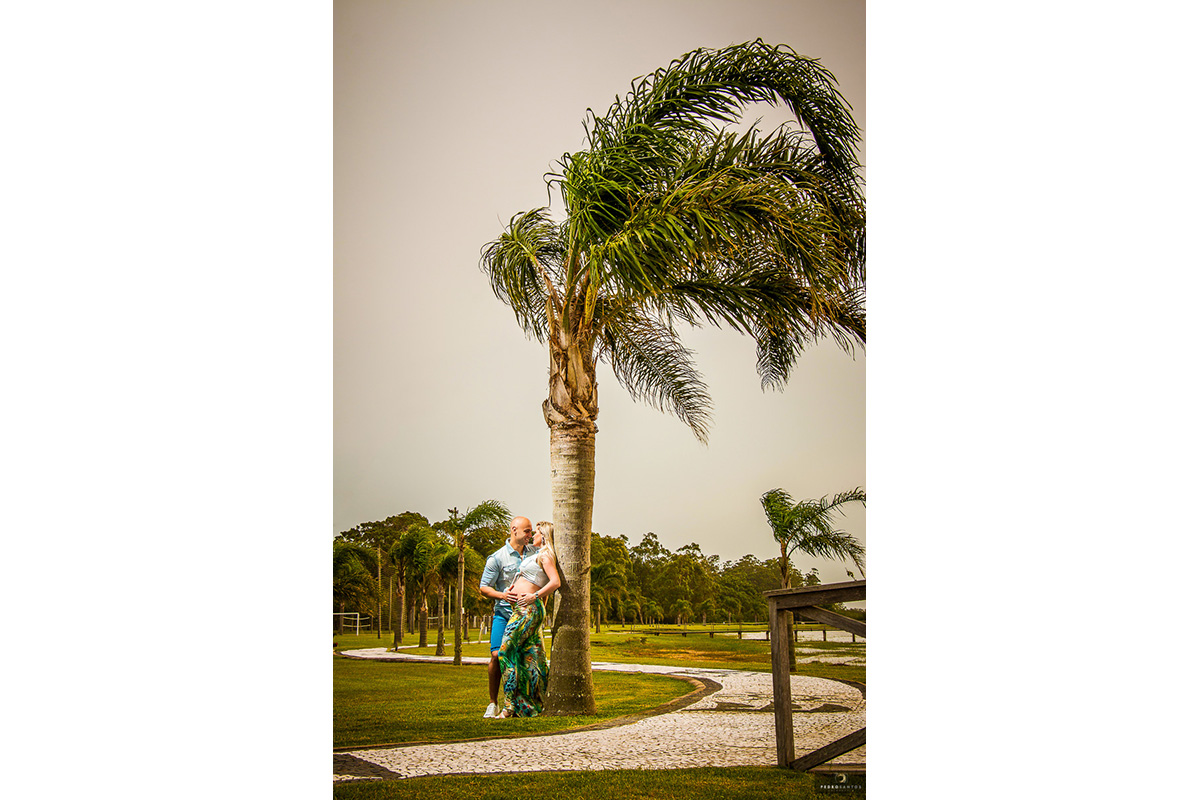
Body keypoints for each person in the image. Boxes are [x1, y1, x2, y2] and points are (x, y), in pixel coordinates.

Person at [494, 520, 561, 718]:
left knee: (504, 652)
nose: (532, 536)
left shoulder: (545, 555)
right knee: (531, 657)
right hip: (523, 609)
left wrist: (534, 596)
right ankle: (532, 706)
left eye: (536, 532)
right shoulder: (538, 554)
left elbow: (555, 582)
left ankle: (509, 706)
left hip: (527, 610)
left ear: (544, 536)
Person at [478, 516, 535, 719]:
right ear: (514, 530)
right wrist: (502, 595)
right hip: (504, 615)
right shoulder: (497, 558)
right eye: (527, 531)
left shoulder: (534, 553)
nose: (530, 535)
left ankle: (521, 704)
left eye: (531, 531)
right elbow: (484, 587)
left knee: (525, 657)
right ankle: (493, 703)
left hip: (526, 616)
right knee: (496, 655)